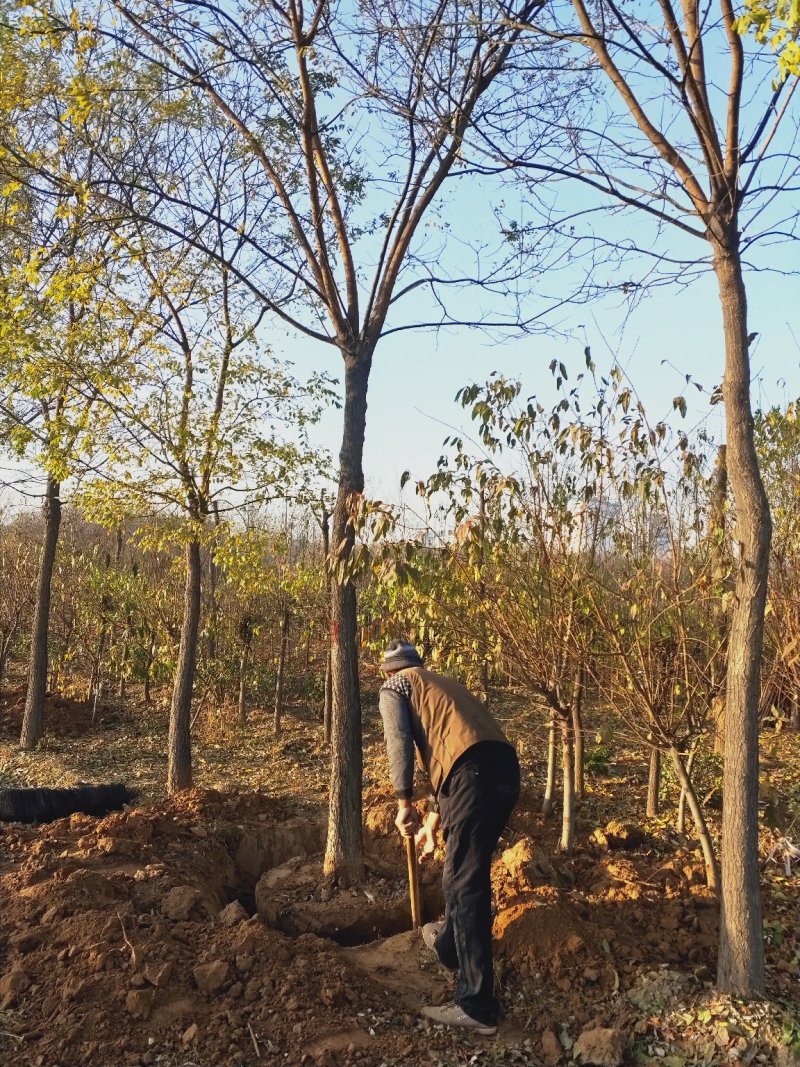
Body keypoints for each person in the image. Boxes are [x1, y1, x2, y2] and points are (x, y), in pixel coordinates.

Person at [378, 639, 520, 1036]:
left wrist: (404, 800)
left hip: (473, 778)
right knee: (463, 875)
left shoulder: (395, 688)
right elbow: (459, 750)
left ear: (389, 672)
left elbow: (398, 742)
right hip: (503, 771)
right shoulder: (440, 685)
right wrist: (432, 821)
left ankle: (477, 1005)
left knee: (464, 882)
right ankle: (448, 948)